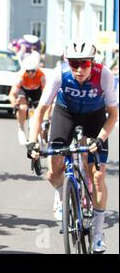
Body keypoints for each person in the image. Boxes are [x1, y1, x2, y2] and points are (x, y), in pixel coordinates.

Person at [27, 40, 118, 253]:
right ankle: (62, 193)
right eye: (73, 63)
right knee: (53, 170)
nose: (78, 69)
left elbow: (113, 114)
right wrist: (32, 143)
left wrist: (100, 139)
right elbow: (40, 111)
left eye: (84, 64)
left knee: (97, 176)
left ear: (92, 63)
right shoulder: (60, 75)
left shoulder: (104, 75)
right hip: (65, 113)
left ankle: (97, 233)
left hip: (94, 117)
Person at [9, 54, 47, 145]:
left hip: (36, 91)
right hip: (24, 91)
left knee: (41, 108)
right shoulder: (21, 76)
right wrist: (13, 102)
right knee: (23, 107)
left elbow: (45, 91)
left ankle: (42, 133)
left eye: (32, 71)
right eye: (28, 71)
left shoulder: (41, 75)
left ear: (36, 69)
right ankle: (21, 128)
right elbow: (12, 93)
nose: (30, 74)